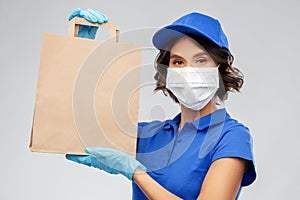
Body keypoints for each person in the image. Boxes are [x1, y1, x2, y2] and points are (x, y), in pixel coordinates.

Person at [66, 8, 256, 200]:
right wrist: (82, 53)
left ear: (220, 69)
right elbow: (75, 130)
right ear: (168, 72)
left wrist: (136, 173)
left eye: (200, 60)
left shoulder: (231, 136)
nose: (189, 71)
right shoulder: (151, 135)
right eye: (178, 62)